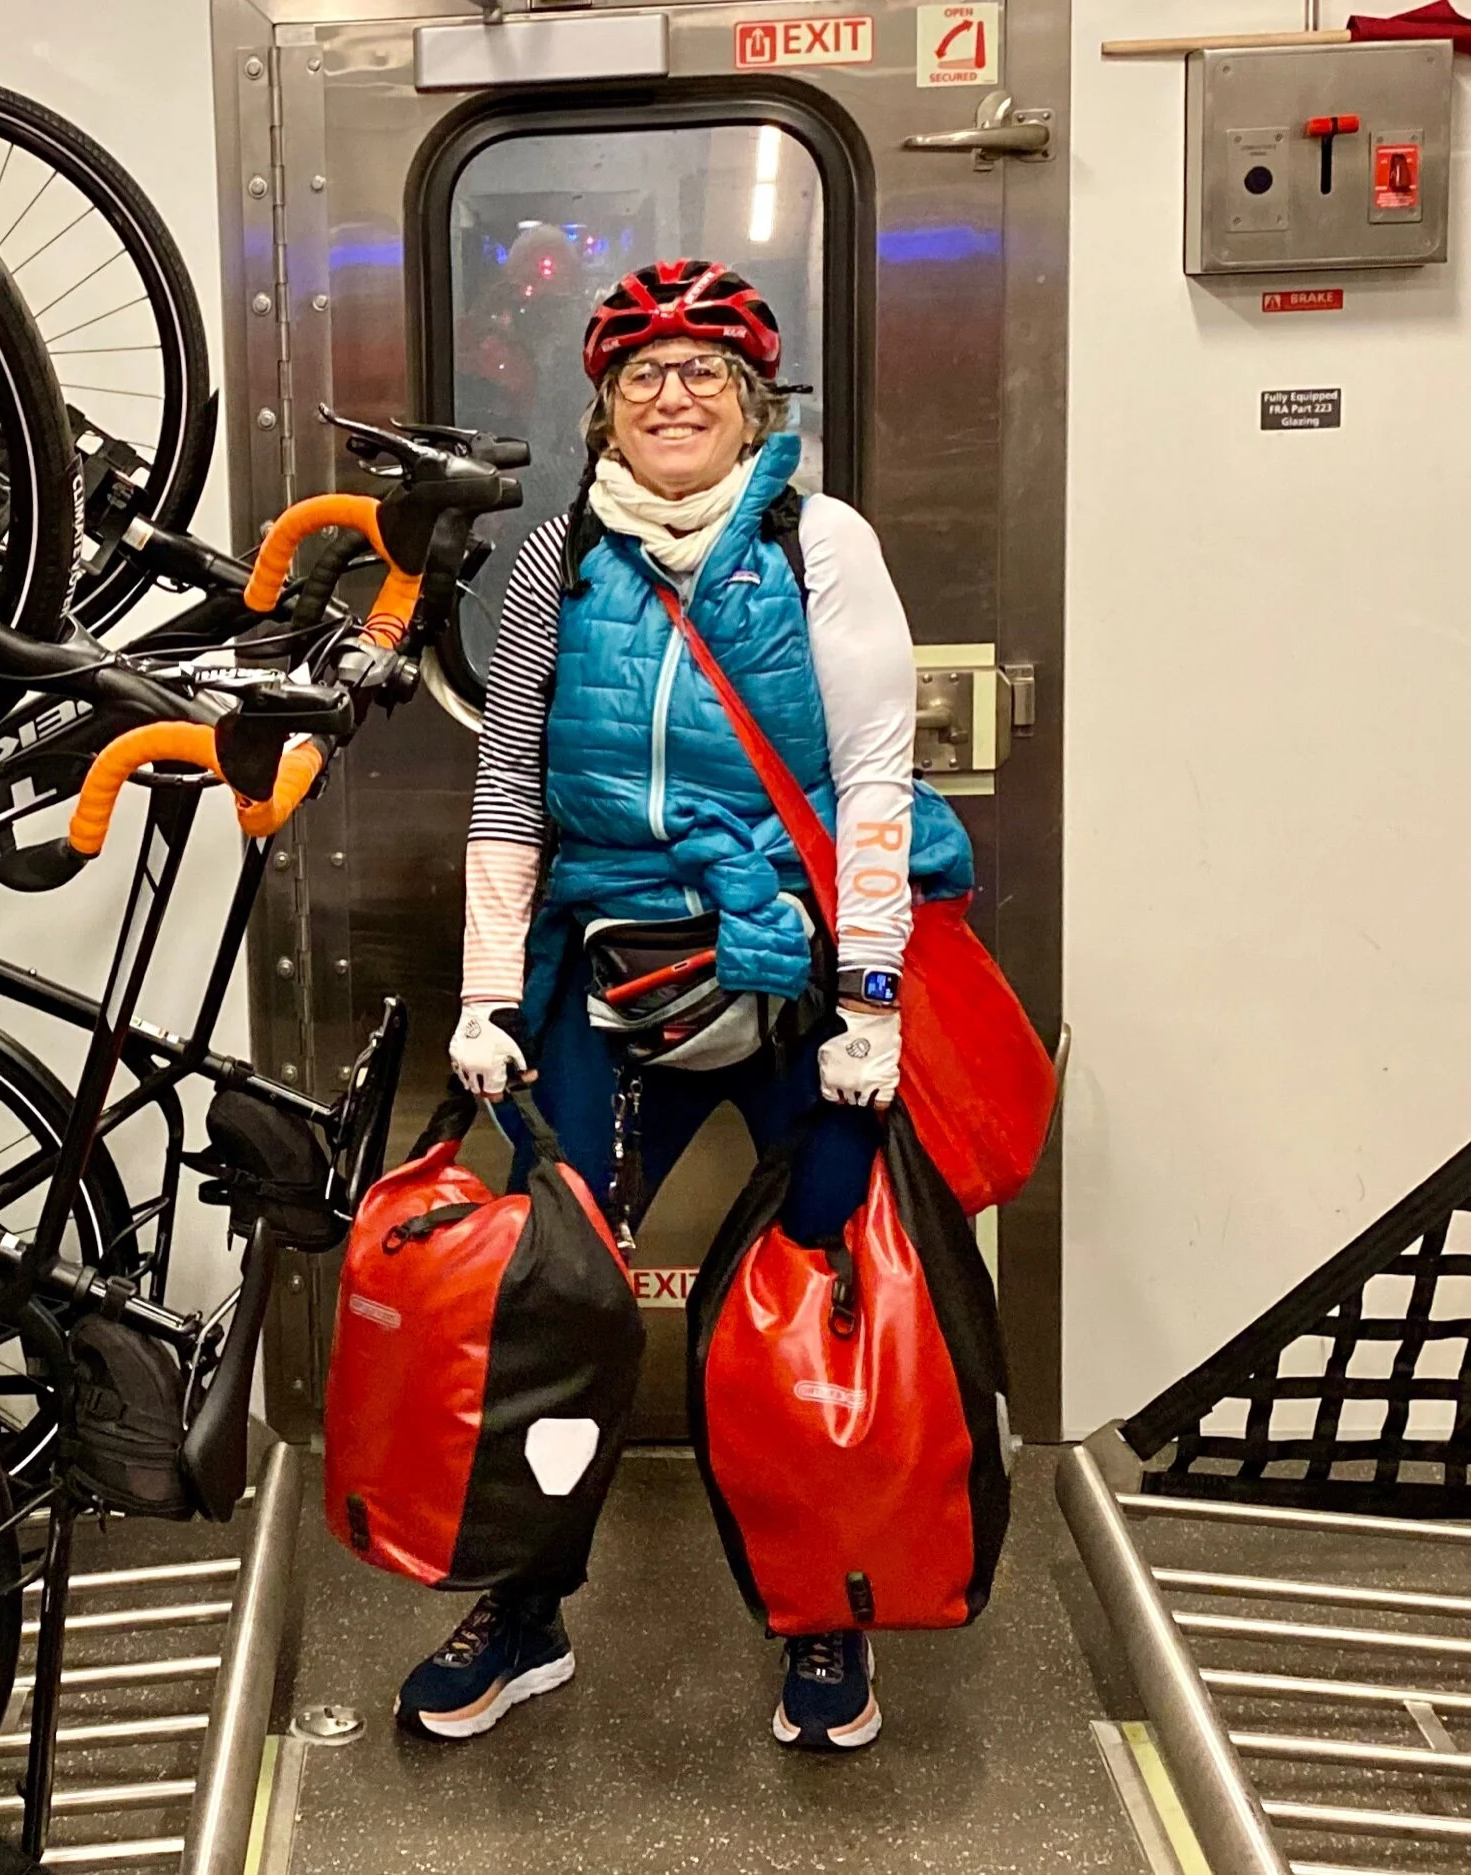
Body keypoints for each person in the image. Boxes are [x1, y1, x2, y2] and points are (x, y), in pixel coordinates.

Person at [405, 260, 974, 1750]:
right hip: (611, 975)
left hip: (799, 978)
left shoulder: (819, 543)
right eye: (643, 375)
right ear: (605, 410)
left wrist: (871, 999)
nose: (674, 395)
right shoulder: (554, 562)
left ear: (752, 404)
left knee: (819, 1289)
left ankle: (826, 1609)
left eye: (704, 373)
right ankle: (525, 1607)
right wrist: (485, 994)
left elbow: (875, 782)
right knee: (556, 1303)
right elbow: (509, 788)